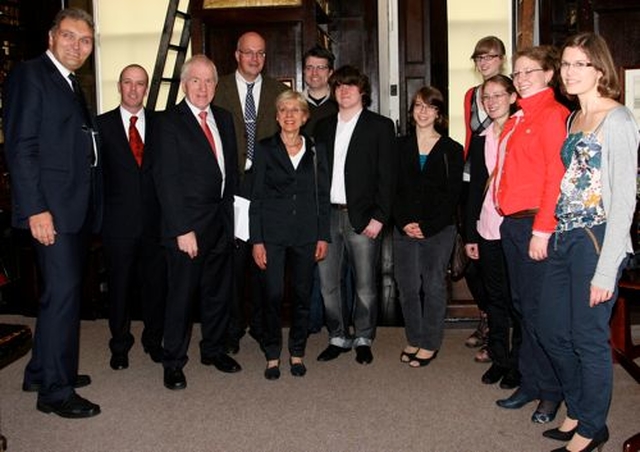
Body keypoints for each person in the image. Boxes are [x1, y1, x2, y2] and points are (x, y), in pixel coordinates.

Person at [538, 32, 639, 452]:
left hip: (596, 238)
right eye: (565, 64)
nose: (569, 72)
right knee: (551, 329)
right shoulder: (571, 118)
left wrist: (606, 268)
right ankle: (579, 408)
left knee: (588, 336)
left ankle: (592, 428)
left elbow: (623, 201)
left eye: (580, 64)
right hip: (565, 235)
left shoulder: (618, 119)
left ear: (600, 69)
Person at [2, 7, 102, 418]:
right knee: (62, 298)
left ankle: (41, 370)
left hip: (73, 208)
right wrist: (36, 209)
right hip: (52, 212)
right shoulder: (31, 75)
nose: (77, 45)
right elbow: (21, 147)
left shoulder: (69, 81)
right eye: (69, 36)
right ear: (51, 37)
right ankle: (56, 393)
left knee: (58, 296)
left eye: (85, 40)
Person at [152, 54, 241, 391]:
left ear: (216, 86)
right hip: (187, 227)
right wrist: (180, 228)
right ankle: (173, 361)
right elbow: (166, 179)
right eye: (195, 80)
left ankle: (213, 349)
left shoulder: (224, 117)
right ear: (184, 83)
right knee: (182, 296)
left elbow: (229, 174)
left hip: (220, 223)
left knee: (218, 293)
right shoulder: (168, 122)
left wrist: (234, 221)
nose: (202, 87)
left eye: (209, 81)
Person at [494, 46, 568, 425]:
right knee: (522, 308)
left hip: (535, 226)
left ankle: (552, 392)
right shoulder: (518, 117)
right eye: (518, 72)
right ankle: (530, 382)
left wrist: (543, 229)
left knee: (542, 314)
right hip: (513, 225)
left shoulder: (553, 116)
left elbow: (556, 177)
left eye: (530, 72)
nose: (521, 78)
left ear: (549, 75)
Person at [314, 65, 395, 365]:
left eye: (350, 86)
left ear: (362, 90)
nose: (344, 91)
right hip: (328, 217)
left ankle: (363, 336)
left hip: (362, 218)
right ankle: (337, 335)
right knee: (328, 284)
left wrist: (380, 217)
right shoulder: (322, 127)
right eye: (338, 86)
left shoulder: (380, 126)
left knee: (364, 284)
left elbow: (388, 178)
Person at [213, 31, 288, 354]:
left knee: (263, 261)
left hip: (267, 189)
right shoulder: (218, 89)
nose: (254, 59)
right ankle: (231, 327)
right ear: (236, 55)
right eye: (248, 53)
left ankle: (260, 325)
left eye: (260, 53)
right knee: (232, 263)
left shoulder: (279, 92)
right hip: (231, 186)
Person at [249, 90, 331, 380]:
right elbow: (255, 197)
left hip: (307, 234)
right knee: (272, 295)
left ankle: (297, 351)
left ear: (305, 116)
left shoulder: (316, 150)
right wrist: (256, 240)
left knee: (301, 296)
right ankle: (272, 354)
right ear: (277, 116)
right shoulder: (265, 148)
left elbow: (322, 196)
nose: (289, 115)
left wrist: (323, 236)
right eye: (283, 110)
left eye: (295, 110)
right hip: (271, 235)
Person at [97, 64, 166, 370]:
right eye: (128, 83)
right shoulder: (101, 125)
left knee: (155, 287)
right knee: (120, 288)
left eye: (140, 84)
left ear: (147, 88)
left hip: (155, 224)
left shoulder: (162, 124)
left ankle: (154, 341)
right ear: (120, 86)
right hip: (118, 226)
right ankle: (120, 345)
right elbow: (96, 178)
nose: (134, 89)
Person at [393, 86, 463, 367]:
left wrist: (428, 226)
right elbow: (391, 189)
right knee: (407, 286)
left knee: (433, 285)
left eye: (429, 107)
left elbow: (453, 194)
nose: (423, 112)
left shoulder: (452, 149)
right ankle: (414, 337)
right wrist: (404, 221)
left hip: (439, 230)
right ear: (411, 112)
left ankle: (430, 342)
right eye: (418, 106)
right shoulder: (398, 146)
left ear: (438, 113)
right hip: (404, 228)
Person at [464, 74, 521, 387]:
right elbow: (474, 189)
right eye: (487, 97)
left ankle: (519, 363)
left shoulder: (522, 130)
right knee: (495, 298)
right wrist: (470, 234)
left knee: (519, 300)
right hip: (487, 227)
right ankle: (500, 358)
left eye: (499, 95)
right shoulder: (481, 136)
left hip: (517, 226)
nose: (492, 101)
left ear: (512, 97)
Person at [462, 36, 508, 362]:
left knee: (499, 265)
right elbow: (471, 136)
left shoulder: (509, 93)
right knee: (471, 261)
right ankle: (487, 316)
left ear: (502, 59)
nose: (483, 62)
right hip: (473, 173)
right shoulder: (471, 95)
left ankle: (497, 329)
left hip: (501, 179)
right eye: (479, 57)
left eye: (489, 56)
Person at [300, 45, 338, 335]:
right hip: (300, 196)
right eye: (310, 67)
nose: (314, 73)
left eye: (320, 68)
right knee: (307, 262)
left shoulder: (341, 106)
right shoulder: (292, 106)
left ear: (330, 73)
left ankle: (337, 322)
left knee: (336, 264)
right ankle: (311, 320)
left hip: (333, 196)